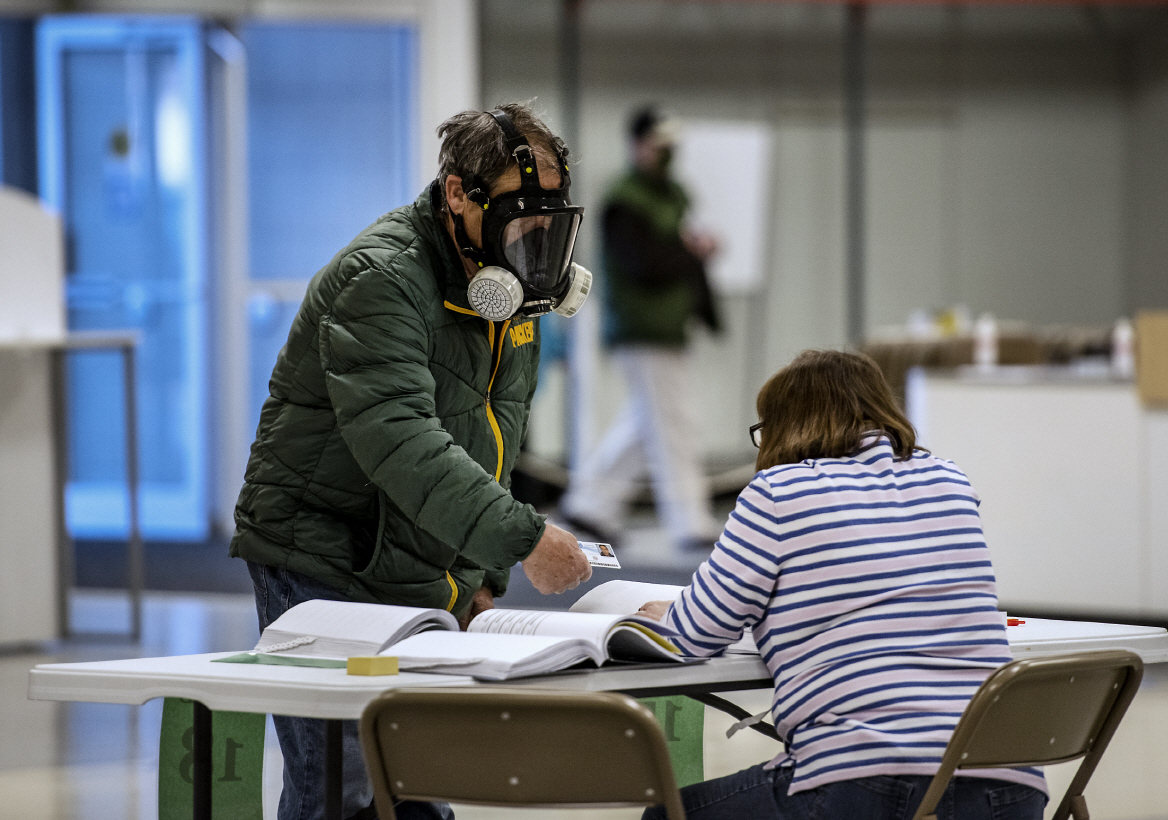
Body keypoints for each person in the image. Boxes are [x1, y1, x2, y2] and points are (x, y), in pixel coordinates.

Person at [229, 103, 594, 820]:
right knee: (341, 786)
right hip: (323, 553)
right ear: (458, 194)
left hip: (412, 554)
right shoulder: (382, 280)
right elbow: (402, 440)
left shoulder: (508, 294)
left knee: (416, 776)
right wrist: (518, 540)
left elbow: (497, 434)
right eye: (522, 217)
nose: (536, 241)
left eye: (548, 222)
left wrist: (480, 576)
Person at [637, 350, 1048, 820]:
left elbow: (693, 635)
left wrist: (659, 618)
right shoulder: (951, 480)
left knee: (665, 816)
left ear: (784, 426)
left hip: (863, 781)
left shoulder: (778, 492)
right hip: (1008, 784)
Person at [559, 106, 723, 551]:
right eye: (658, 143)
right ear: (637, 144)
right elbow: (644, 264)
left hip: (668, 327)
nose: (666, 152)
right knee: (674, 423)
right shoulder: (625, 200)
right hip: (642, 328)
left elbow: (673, 253)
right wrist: (693, 253)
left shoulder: (670, 195)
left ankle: (590, 505)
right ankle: (689, 520)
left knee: (645, 421)